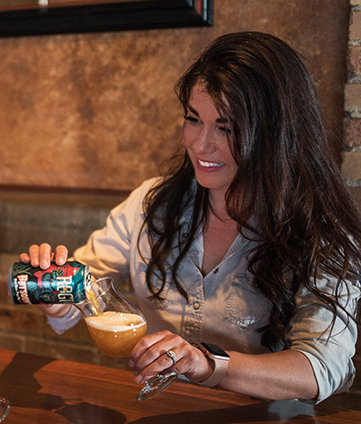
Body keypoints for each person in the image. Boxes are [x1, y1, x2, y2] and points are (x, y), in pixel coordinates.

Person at [22, 31, 361, 403]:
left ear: (275, 134)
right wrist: (57, 295)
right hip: (157, 422)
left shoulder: (319, 231)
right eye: (194, 119)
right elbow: (84, 288)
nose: (201, 144)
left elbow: (321, 367)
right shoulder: (152, 206)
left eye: (226, 128)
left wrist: (208, 363)